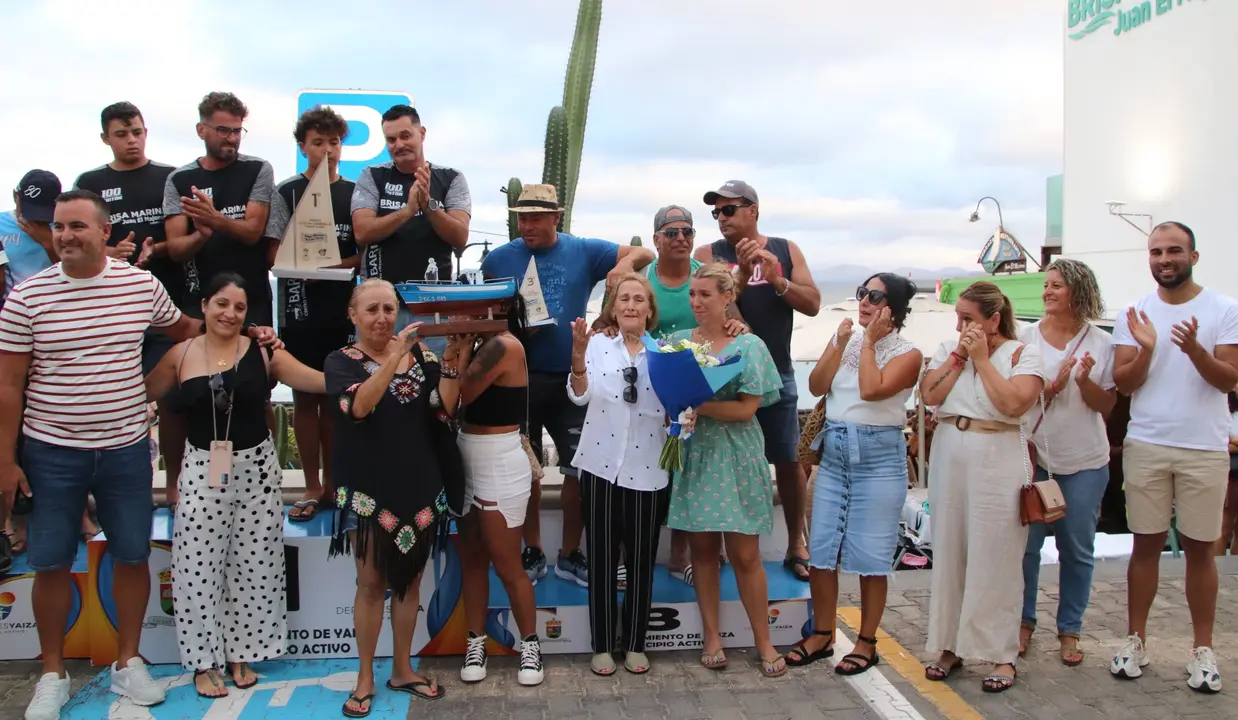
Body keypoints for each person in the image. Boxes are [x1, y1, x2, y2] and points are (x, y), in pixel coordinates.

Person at [0, 190, 275, 720]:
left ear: (104, 232)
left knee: (131, 554)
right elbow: (9, 386)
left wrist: (252, 335)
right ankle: (52, 673)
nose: (66, 236)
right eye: (59, 227)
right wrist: (5, 460)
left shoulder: (140, 285)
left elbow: (193, 330)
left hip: (127, 446)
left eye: (78, 226)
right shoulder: (26, 297)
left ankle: (129, 661)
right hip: (52, 450)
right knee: (51, 563)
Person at [145, 272, 323, 698]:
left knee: (255, 564)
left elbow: (317, 381)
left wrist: (375, 366)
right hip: (202, 467)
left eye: (239, 307)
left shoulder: (263, 352)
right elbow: (139, 394)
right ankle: (204, 662)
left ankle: (241, 652)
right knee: (196, 569)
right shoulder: (180, 354)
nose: (230, 313)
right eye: (222, 303)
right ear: (204, 305)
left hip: (258, 469)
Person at [481, 184, 654, 587]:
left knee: (580, 469)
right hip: (517, 380)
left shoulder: (583, 250)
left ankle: (570, 554)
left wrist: (622, 265)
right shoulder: (499, 258)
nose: (528, 225)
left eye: (537, 218)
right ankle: (533, 549)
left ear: (556, 218)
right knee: (526, 471)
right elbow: (482, 310)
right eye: (522, 218)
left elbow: (646, 253)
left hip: (573, 379)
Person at [1110, 221, 1238, 693]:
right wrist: (1148, 349)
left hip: (1204, 446)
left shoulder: (1225, 309)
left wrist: (1193, 351)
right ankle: (1135, 639)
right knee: (1145, 546)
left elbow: (1228, 380)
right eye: (1157, 252)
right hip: (1146, 444)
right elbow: (1124, 383)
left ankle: (1202, 649)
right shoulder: (1135, 313)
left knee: (1201, 550)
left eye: (1174, 251)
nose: (1165, 259)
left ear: (1193, 257)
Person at [326, 279, 460, 715]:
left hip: (419, 485)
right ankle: (365, 675)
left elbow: (444, 408)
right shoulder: (340, 361)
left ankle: (402, 668)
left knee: (410, 583)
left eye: (389, 309)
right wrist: (394, 358)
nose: (383, 318)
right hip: (369, 491)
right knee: (370, 585)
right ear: (353, 315)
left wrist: (456, 359)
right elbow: (360, 407)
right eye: (372, 310)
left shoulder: (423, 357)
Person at [788, 273, 922, 675]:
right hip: (835, 454)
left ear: (892, 308)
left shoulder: (909, 353)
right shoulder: (846, 339)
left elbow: (871, 389)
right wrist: (839, 343)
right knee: (823, 552)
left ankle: (866, 641)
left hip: (879, 459)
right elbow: (815, 386)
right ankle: (823, 633)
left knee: (871, 556)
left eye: (874, 296)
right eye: (862, 293)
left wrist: (865, 344)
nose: (863, 301)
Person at [919, 281, 1044, 694]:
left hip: (998, 454)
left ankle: (1001, 654)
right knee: (950, 549)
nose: (961, 326)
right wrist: (960, 356)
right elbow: (928, 395)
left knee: (997, 555)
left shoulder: (1024, 353)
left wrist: (982, 360)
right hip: (951, 451)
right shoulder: (948, 350)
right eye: (958, 318)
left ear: (993, 319)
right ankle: (949, 646)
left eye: (969, 319)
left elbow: (1013, 404)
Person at [695, 180, 821, 582]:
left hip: (779, 370)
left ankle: (796, 543)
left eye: (729, 210)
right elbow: (718, 311)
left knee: (787, 460)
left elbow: (813, 304)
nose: (721, 219)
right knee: (718, 461)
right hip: (725, 376)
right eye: (716, 212)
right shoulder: (708, 255)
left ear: (753, 210)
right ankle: (716, 548)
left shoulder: (785, 249)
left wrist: (777, 278)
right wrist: (744, 275)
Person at [668, 263, 785, 677]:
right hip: (697, 453)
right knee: (702, 552)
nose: (697, 302)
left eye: (705, 295)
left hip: (736, 455)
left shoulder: (748, 345)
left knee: (745, 554)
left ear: (726, 298)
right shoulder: (679, 344)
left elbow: (747, 408)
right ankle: (711, 636)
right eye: (692, 295)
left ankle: (764, 640)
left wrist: (698, 405)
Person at [73, 102, 187, 511]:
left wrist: (161, 250)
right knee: (106, 397)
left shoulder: (169, 177)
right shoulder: (90, 181)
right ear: (106, 137)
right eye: (122, 134)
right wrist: (109, 253)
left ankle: (172, 487)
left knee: (171, 400)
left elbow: (183, 238)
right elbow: (78, 242)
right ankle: (95, 495)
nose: (132, 140)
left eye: (137, 132)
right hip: (106, 313)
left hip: (164, 306)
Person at [568, 274, 670, 676]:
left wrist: (686, 416)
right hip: (600, 465)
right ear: (613, 308)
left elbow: (676, 409)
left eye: (638, 299)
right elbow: (578, 395)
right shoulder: (595, 345)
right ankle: (602, 645)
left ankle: (635, 644)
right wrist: (577, 360)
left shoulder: (666, 353)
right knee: (604, 560)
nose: (630, 305)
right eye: (623, 299)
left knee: (643, 561)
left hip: (649, 470)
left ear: (649, 309)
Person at [1017, 259, 1116, 667]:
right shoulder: (1025, 339)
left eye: (1056, 285)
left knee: (1077, 548)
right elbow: (1018, 402)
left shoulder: (1101, 343)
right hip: (1035, 459)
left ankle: (1070, 629)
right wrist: (1053, 389)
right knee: (1026, 548)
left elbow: (1106, 407)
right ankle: (1022, 622)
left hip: (1085, 461)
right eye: (1046, 286)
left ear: (1077, 290)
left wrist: (1084, 383)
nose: (1047, 292)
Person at [264, 106, 360, 522]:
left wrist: (332, 270)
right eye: (317, 142)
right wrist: (306, 269)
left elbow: (366, 250)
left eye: (334, 142)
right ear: (303, 147)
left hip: (343, 314)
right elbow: (272, 252)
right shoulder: (285, 192)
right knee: (305, 401)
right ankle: (310, 485)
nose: (326, 150)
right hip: (298, 312)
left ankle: (339, 485)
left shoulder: (358, 193)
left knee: (339, 401)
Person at [453, 293, 542, 687]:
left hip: (500, 459)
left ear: (498, 309)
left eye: (474, 306)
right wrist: (461, 344)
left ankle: (530, 645)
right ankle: (476, 641)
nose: (465, 313)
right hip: (465, 453)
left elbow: (459, 393)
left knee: (508, 564)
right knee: (472, 559)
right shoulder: (478, 344)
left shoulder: (503, 345)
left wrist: (456, 346)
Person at [350, 104, 471, 354]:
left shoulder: (450, 178)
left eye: (405, 136)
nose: (399, 144)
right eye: (391, 139)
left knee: (435, 382)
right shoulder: (372, 175)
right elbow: (362, 232)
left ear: (422, 133)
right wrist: (406, 211)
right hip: (380, 307)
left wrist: (429, 208)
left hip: (431, 307)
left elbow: (460, 237)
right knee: (378, 382)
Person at [164, 91, 276, 327]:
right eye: (223, 130)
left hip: (250, 299)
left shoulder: (258, 169)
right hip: (200, 300)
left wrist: (215, 220)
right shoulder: (179, 179)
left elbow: (253, 232)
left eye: (237, 131)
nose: (232, 139)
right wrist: (201, 235)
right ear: (201, 130)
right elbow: (175, 249)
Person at [1, 170, 60, 304]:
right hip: (13, 305)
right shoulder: (1, 224)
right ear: (15, 196)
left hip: (56, 304)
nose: (36, 218)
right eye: (31, 209)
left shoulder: (63, 225)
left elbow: (78, 269)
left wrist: (49, 243)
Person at [1219, 390, 1238, 556]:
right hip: (1231, 474)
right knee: (1224, 525)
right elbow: (1223, 442)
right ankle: (1218, 568)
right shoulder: (1224, 413)